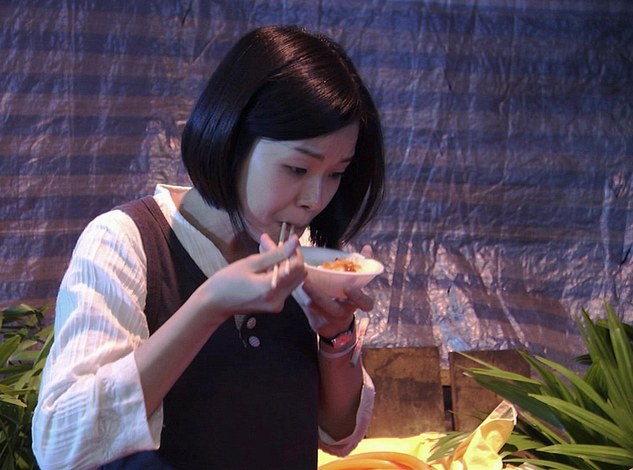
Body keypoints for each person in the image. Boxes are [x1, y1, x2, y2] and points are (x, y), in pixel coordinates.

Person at [32, 24, 386, 470]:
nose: (314, 199)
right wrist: (208, 305)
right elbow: (61, 447)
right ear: (232, 139)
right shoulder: (125, 242)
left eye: (335, 173)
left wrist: (336, 335)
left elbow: (338, 436)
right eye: (298, 168)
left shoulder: (307, 252)